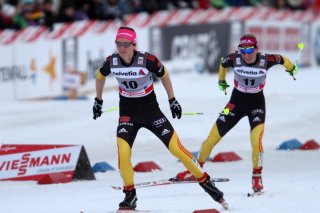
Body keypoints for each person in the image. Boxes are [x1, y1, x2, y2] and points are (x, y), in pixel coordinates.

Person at [92, 26, 229, 210]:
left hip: (151, 111)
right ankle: (130, 195)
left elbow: (164, 74)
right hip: (127, 112)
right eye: (118, 44)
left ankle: (208, 184)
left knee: (177, 149)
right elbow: (100, 76)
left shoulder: (146, 60)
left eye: (125, 44)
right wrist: (98, 100)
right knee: (123, 153)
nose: (121, 48)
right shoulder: (112, 61)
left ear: (134, 45)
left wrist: (172, 100)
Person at [176, 33, 298, 193]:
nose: (246, 55)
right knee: (211, 139)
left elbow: (283, 59)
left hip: (256, 105)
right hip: (234, 104)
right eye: (243, 51)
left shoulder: (266, 60)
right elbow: (222, 63)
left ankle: (256, 177)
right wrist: (221, 81)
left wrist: (292, 69)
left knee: (256, 141)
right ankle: (196, 170)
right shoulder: (235, 58)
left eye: (249, 51)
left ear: (256, 49)